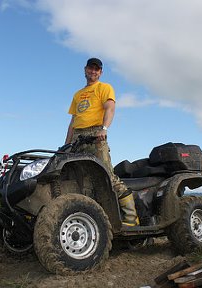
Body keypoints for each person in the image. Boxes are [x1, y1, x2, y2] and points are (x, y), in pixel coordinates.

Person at [65, 57, 139, 227]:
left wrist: (103, 130)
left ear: (101, 72)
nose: (93, 71)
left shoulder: (104, 88)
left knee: (108, 176)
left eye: (97, 69)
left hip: (96, 135)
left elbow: (110, 108)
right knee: (81, 180)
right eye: (91, 68)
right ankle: (92, 220)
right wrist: (66, 144)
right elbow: (73, 121)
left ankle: (131, 217)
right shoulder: (77, 95)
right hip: (77, 137)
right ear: (85, 70)